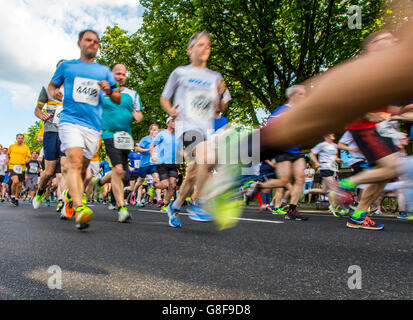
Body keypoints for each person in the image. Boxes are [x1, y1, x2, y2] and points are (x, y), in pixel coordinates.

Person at [48, 29, 121, 230]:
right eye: (89, 40)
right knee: (75, 162)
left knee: (83, 171)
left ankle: (71, 197)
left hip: (93, 127)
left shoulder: (104, 71)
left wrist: (108, 90)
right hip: (70, 121)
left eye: (96, 42)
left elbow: (117, 98)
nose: (93, 44)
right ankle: (80, 208)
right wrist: (55, 93)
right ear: (80, 43)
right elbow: (52, 86)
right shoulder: (67, 67)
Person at [160, 31, 230, 228]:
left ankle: (175, 205)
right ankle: (199, 202)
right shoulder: (180, 72)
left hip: (207, 130)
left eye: (208, 45)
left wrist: (220, 98)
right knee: (206, 158)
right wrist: (169, 110)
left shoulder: (216, 77)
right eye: (200, 44)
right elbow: (165, 97)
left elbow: (220, 108)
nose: (205, 47)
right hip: (186, 127)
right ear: (190, 50)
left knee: (193, 171)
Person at [246, 85, 308, 220]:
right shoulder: (281, 110)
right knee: (283, 181)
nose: (304, 97)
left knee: (301, 177)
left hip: (296, 150)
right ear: (292, 96)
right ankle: (258, 186)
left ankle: (292, 210)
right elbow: (269, 129)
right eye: (301, 94)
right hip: (283, 150)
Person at [93, 63, 144, 222]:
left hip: (126, 137)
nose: (121, 76)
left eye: (123, 74)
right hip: (109, 134)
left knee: (121, 173)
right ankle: (122, 208)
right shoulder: (103, 92)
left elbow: (140, 115)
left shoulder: (132, 94)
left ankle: (100, 181)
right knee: (119, 169)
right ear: (111, 75)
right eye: (117, 73)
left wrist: (137, 115)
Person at [32, 59, 68, 212]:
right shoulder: (47, 89)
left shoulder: (73, 91)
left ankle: (65, 201)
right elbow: (37, 110)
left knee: (65, 168)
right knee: (49, 171)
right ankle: (40, 191)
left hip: (66, 132)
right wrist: (42, 115)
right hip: (51, 131)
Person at [306, 133, 346, 217]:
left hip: (333, 169)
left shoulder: (335, 145)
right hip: (325, 168)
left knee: (324, 191)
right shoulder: (322, 145)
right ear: (326, 136)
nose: (333, 135)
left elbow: (334, 157)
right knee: (334, 188)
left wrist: (338, 160)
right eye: (331, 134)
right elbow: (311, 154)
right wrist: (316, 162)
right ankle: (336, 208)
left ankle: (306, 191)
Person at [150, 117, 180, 212]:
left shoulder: (178, 135)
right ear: (168, 123)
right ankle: (154, 185)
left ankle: (165, 204)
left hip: (173, 163)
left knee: (172, 185)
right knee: (164, 184)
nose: (175, 123)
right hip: (162, 163)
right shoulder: (162, 134)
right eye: (173, 121)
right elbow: (152, 145)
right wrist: (152, 155)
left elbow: (180, 149)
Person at [7, 134, 31, 206]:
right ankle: (12, 196)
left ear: (23, 139)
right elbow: (7, 155)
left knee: (20, 185)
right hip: (13, 166)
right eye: (19, 138)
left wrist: (27, 160)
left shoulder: (25, 147)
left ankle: (16, 198)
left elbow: (29, 157)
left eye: (21, 138)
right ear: (16, 139)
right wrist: (7, 160)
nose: (20, 139)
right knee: (15, 181)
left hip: (22, 167)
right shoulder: (12, 146)